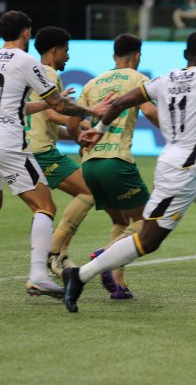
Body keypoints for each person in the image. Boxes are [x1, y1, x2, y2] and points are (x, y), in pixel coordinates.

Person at [65, 32, 196, 313]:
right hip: (182, 171)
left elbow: (118, 103)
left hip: (193, 166)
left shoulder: (166, 79)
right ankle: (79, 275)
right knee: (148, 240)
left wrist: (99, 130)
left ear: (185, 55)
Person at [0, 11, 106, 298]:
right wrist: (91, 111)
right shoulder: (26, 61)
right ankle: (38, 274)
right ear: (26, 32)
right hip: (7, 142)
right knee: (45, 206)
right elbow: (58, 105)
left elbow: (16, 106)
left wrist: (40, 106)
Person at [67, 33, 159, 299]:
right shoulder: (137, 79)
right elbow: (151, 113)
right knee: (147, 222)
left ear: (114, 55)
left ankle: (119, 285)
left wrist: (81, 139)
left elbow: (73, 123)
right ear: (138, 55)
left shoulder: (93, 83)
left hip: (90, 166)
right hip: (116, 162)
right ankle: (106, 256)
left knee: (121, 220)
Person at [22, 27, 96, 278]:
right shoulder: (50, 74)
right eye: (66, 51)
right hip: (41, 152)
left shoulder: (31, 72)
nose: (68, 56)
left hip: (27, 149)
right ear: (54, 51)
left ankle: (55, 256)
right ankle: (55, 253)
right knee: (89, 190)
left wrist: (77, 134)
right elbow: (53, 113)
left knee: (43, 209)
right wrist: (85, 124)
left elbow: (48, 123)